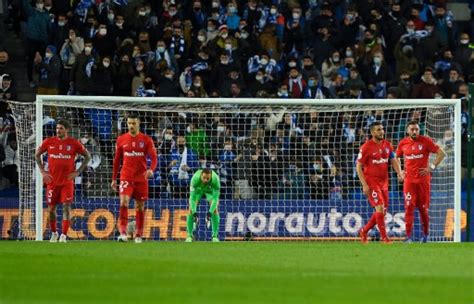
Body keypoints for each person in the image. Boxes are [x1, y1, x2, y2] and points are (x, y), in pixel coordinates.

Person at [35, 120, 91, 242]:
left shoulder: (74, 143)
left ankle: (63, 235)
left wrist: (78, 172)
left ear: (67, 129)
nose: (58, 130)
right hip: (52, 182)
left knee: (66, 207)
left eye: (60, 128)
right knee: (51, 209)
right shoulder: (49, 142)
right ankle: (54, 233)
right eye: (57, 128)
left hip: (67, 182)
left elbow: (87, 156)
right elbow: (37, 155)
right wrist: (43, 172)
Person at [396, 121, 446, 243]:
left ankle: (426, 236)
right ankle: (408, 237)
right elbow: (396, 157)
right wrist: (400, 171)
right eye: (412, 129)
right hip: (409, 182)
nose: (414, 131)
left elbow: (442, 153)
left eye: (416, 129)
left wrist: (431, 167)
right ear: (408, 130)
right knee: (409, 208)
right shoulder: (403, 143)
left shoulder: (426, 141)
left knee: (423, 209)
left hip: (423, 181)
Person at [111, 113, 157, 243]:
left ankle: (138, 234)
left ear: (139, 123)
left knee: (140, 206)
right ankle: (123, 233)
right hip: (126, 176)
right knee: (123, 202)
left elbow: (154, 158)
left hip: (141, 178)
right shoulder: (121, 139)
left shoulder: (146, 140)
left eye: (133, 123)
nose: (131, 126)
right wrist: (114, 178)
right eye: (129, 123)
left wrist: (151, 170)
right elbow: (116, 160)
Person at [356, 122, 404, 244]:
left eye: (382, 129)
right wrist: (364, 184)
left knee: (382, 211)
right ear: (372, 132)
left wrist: (399, 172)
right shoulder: (366, 147)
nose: (382, 131)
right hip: (372, 182)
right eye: (378, 130)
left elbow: (393, 160)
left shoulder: (387, 145)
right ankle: (384, 238)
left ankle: (364, 231)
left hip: (384, 182)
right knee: (380, 207)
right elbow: (358, 167)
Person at [186, 168, 221, 242]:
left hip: (210, 191)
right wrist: (195, 213)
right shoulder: (195, 179)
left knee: (215, 210)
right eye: (204, 178)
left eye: (208, 178)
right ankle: (189, 235)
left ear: (211, 176)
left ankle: (214, 236)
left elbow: (215, 199)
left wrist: (209, 213)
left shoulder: (216, 180)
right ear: (201, 175)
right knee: (190, 210)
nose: (205, 180)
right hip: (198, 191)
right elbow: (192, 198)